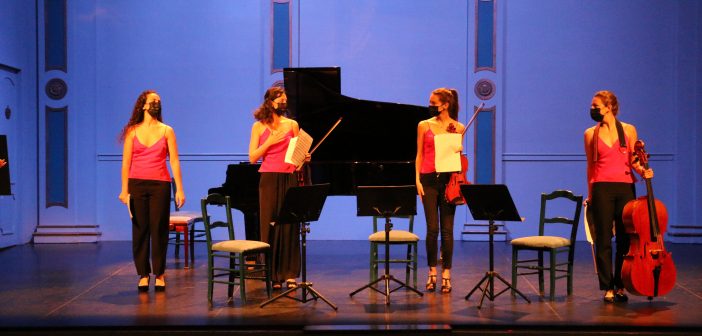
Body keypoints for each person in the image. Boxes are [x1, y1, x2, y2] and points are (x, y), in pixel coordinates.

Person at [584, 90, 652, 303]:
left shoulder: (628, 130)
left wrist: (643, 171)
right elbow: (590, 166)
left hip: (625, 187)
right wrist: (590, 194)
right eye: (592, 106)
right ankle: (608, 287)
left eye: (596, 106)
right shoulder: (590, 134)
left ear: (609, 107)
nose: (592, 109)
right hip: (601, 187)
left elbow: (634, 160)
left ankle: (620, 284)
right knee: (603, 237)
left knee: (625, 238)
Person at [118, 90, 185, 292]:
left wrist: (179, 189)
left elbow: (174, 160)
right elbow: (126, 162)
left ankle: (160, 273)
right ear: (143, 105)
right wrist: (124, 190)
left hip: (160, 184)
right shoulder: (132, 131)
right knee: (140, 230)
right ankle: (143, 274)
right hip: (137, 184)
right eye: (153, 100)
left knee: (159, 229)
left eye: (159, 101)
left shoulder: (167, 131)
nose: (157, 103)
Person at [248, 86, 301, 290]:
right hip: (268, 177)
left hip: (289, 176)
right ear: (270, 102)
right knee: (270, 224)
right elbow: (252, 157)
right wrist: (270, 141)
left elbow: (296, 158)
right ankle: (272, 273)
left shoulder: (293, 125)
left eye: (285, 99)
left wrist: (304, 158)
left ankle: (289, 273)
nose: (283, 102)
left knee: (289, 224)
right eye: (280, 99)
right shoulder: (259, 127)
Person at [415, 88, 465, 293]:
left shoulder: (458, 127)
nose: (430, 106)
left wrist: (458, 148)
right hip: (427, 180)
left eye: (433, 103)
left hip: (448, 181)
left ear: (444, 105)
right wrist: (417, 180)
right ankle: (431, 272)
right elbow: (418, 155)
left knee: (447, 230)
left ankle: (446, 274)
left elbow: (457, 160)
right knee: (432, 229)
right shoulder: (424, 125)